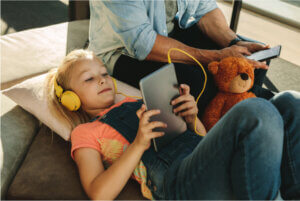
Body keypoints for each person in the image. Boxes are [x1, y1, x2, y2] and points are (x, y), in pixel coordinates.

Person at [46, 49, 300, 200]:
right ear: (71, 99)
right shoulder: (85, 132)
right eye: (89, 79)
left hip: (204, 162)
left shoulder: (137, 99)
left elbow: (200, 138)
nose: (102, 80)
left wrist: (191, 118)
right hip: (177, 181)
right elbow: (98, 194)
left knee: (290, 102)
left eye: (104, 74)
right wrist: (138, 143)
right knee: (255, 111)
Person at [88, 0, 274, 116]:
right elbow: (143, 44)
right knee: (196, 80)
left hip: (165, 32)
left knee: (251, 61)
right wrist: (215, 56)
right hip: (122, 51)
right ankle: (226, 128)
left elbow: (206, 8)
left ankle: (249, 109)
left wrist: (233, 42)